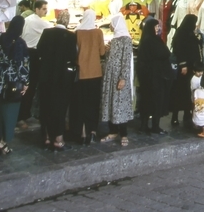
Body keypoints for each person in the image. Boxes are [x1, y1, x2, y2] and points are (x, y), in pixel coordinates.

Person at [36, 9, 77, 151]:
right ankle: (58, 139)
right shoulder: (71, 36)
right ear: (67, 22)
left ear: (57, 19)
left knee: (46, 105)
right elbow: (72, 56)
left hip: (46, 76)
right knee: (60, 108)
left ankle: (47, 137)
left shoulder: (47, 32)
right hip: (62, 78)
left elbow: (39, 50)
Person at [0, 15, 30, 156]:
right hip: (12, 82)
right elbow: (23, 65)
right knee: (10, 113)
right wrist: (25, 83)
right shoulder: (20, 43)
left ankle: (0, 139)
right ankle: (3, 142)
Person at [100, 14, 134, 146]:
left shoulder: (126, 40)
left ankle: (124, 133)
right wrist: (107, 50)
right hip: (110, 77)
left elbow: (126, 60)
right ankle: (112, 131)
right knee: (111, 102)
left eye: (112, 23)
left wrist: (123, 78)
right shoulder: (113, 40)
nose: (110, 26)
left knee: (120, 103)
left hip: (119, 77)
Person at [19, 0, 53, 125]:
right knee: (31, 85)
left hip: (24, 53)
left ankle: (24, 114)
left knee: (26, 84)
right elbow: (53, 29)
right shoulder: (39, 22)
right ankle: (23, 115)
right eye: (43, 9)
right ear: (36, 9)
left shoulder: (28, 19)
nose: (46, 11)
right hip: (32, 54)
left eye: (46, 9)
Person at [136, 18, 173, 135]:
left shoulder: (145, 40)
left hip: (147, 77)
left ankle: (144, 126)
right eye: (156, 26)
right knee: (157, 101)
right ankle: (155, 126)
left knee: (146, 101)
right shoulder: (153, 40)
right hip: (156, 76)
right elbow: (164, 53)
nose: (158, 28)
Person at [74, 8, 105, 145]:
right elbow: (102, 52)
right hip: (95, 73)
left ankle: (82, 133)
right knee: (93, 103)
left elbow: (74, 52)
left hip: (81, 73)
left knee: (81, 103)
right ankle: (92, 132)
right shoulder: (98, 32)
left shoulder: (77, 33)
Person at [170, 14, 203, 129]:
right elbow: (179, 49)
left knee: (189, 92)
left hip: (191, 67)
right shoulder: (181, 33)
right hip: (184, 68)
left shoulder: (190, 33)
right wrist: (183, 64)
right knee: (180, 91)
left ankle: (187, 115)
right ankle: (175, 116)